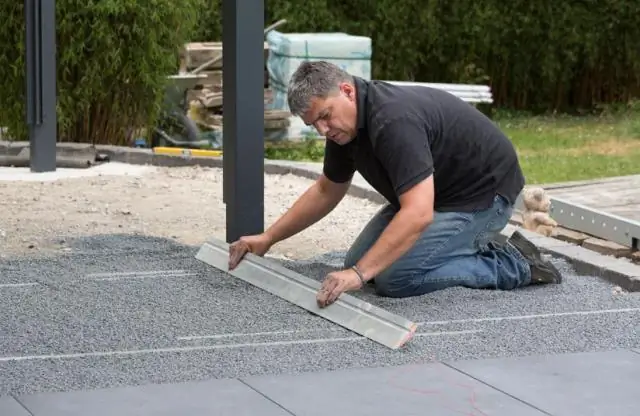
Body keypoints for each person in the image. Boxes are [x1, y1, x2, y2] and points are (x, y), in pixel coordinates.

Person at [227, 61, 562, 308]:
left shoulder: (393, 121)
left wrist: (358, 275)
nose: (322, 131)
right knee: (360, 263)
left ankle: (514, 263)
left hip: (484, 196)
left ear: (347, 91)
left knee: (394, 278)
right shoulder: (345, 129)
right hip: (437, 195)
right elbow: (326, 190)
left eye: (325, 116)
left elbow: (417, 214)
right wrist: (269, 237)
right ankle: (456, 245)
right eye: (314, 124)